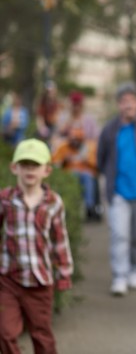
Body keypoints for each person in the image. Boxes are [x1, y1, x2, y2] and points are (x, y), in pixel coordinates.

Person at [0, 138, 74, 354]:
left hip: (40, 282)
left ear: (47, 171)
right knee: (5, 332)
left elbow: (60, 239)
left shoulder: (53, 202)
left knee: (41, 334)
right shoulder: (5, 199)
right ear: (15, 168)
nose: (29, 170)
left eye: (35, 165)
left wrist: (65, 272)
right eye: (24, 165)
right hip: (8, 279)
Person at [97, 82, 136, 296]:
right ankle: (119, 276)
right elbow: (101, 159)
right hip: (118, 193)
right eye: (124, 101)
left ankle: (135, 269)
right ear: (118, 105)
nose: (128, 105)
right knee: (119, 235)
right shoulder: (109, 130)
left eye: (131, 101)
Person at [52, 127, 100, 222]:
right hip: (69, 176)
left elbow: (97, 165)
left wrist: (86, 160)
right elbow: (54, 163)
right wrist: (64, 161)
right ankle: (71, 209)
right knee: (73, 176)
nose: (74, 143)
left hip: (86, 175)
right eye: (72, 140)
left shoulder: (88, 147)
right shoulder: (63, 147)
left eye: (77, 140)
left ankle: (89, 207)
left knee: (87, 177)